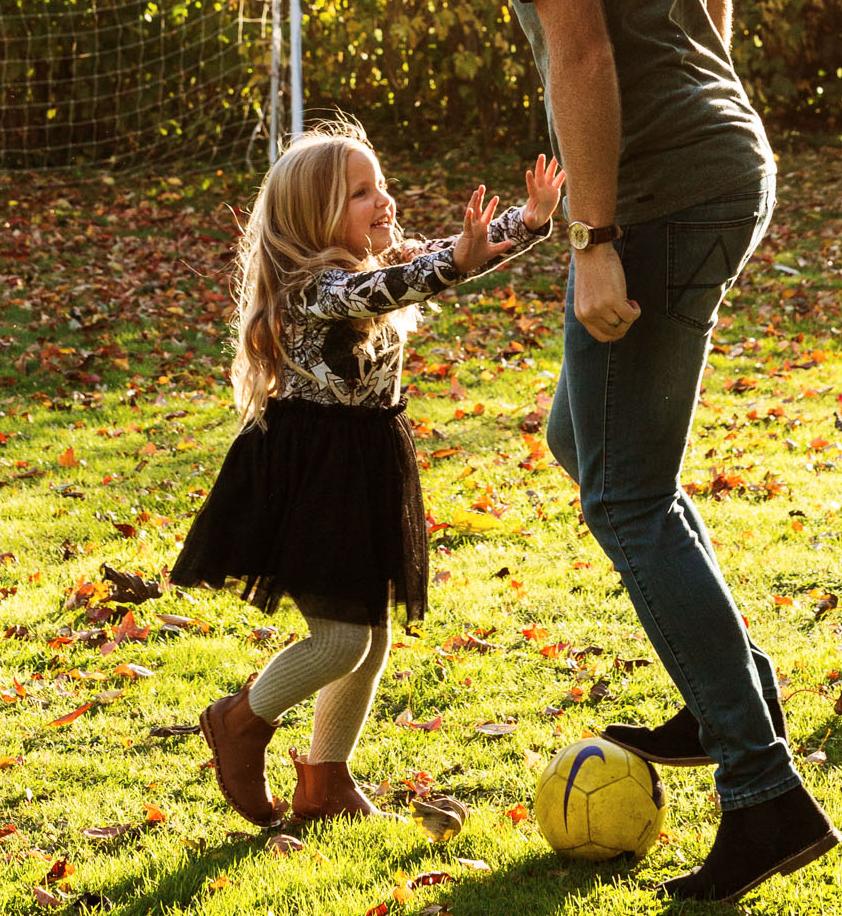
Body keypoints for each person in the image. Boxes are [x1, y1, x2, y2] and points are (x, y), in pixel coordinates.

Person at [348, 0, 838, 902]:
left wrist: (598, 235)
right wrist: (692, 123)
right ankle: (732, 692)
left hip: (662, 197)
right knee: (590, 440)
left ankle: (763, 788)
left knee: (622, 494)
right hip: (721, 158)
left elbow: (582, 48)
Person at [174, 120, 565, 830]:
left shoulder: (376, 264)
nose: (382, 200)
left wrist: (532, 220)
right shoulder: (313, 287)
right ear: (314, 216)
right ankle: (239, 722)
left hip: (363, 464)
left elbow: (446, 256)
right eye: (360, 193)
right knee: (341, 640)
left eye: (381, 184)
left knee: (371, 635)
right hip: (311, 476)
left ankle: (324, 784)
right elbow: (393, 286)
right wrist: (455, 263)